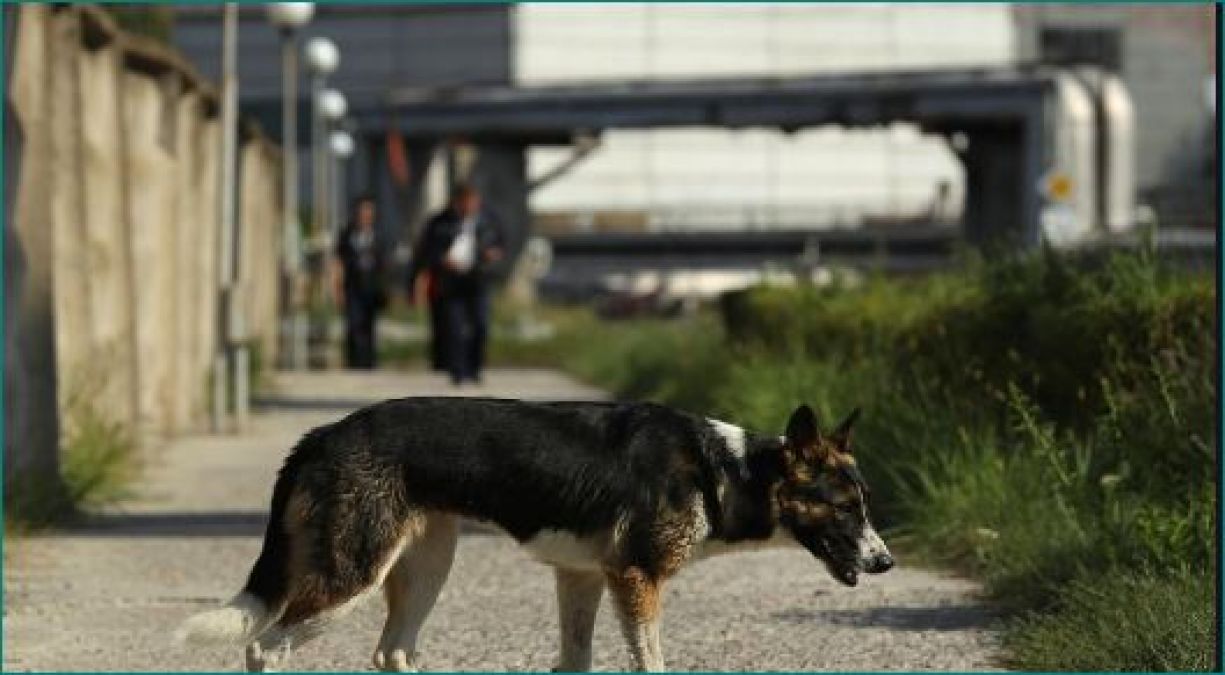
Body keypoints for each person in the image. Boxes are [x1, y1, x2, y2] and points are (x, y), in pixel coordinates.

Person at [408, 184, 504, 385]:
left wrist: (493, 254)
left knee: (480, 325)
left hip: (478, 280)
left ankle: (474, 368)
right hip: (450, 283)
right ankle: (457, 371)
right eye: (465, 202)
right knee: (454, 328)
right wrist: (441, 261)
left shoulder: (489, 221)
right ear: (457, 202)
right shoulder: (439, 222)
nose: (470, 206)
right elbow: (426, 252)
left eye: (474, 202)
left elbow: (501, 244)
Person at [332, 194, 388, 370]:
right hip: (352, 287)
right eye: (362, 212)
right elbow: (338, 262)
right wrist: (337, 288)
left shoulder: (378, 235)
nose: (365, 216)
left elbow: (384, 264)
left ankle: (369, 363)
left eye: (368, 213)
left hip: (372, 288)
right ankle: (354, 363)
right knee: (354, 325)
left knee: (369, 326)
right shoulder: (346, 235)